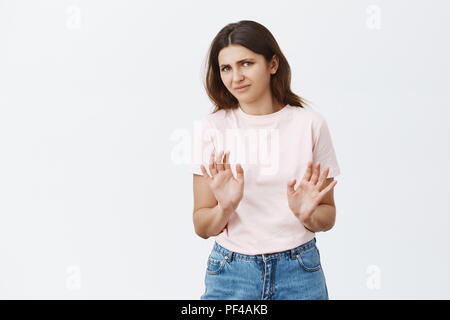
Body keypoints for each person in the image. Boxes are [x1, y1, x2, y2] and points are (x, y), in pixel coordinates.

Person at [191, 20, 340, 300]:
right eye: (226, 68)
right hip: (231, 272)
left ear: (273, 64)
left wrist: (308, 214)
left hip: (299, 271)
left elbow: (328, 216)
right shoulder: (212, 129)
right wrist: (225, 208)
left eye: (246, 63)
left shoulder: (311, 125)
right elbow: (201, 225)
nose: (236, 77)